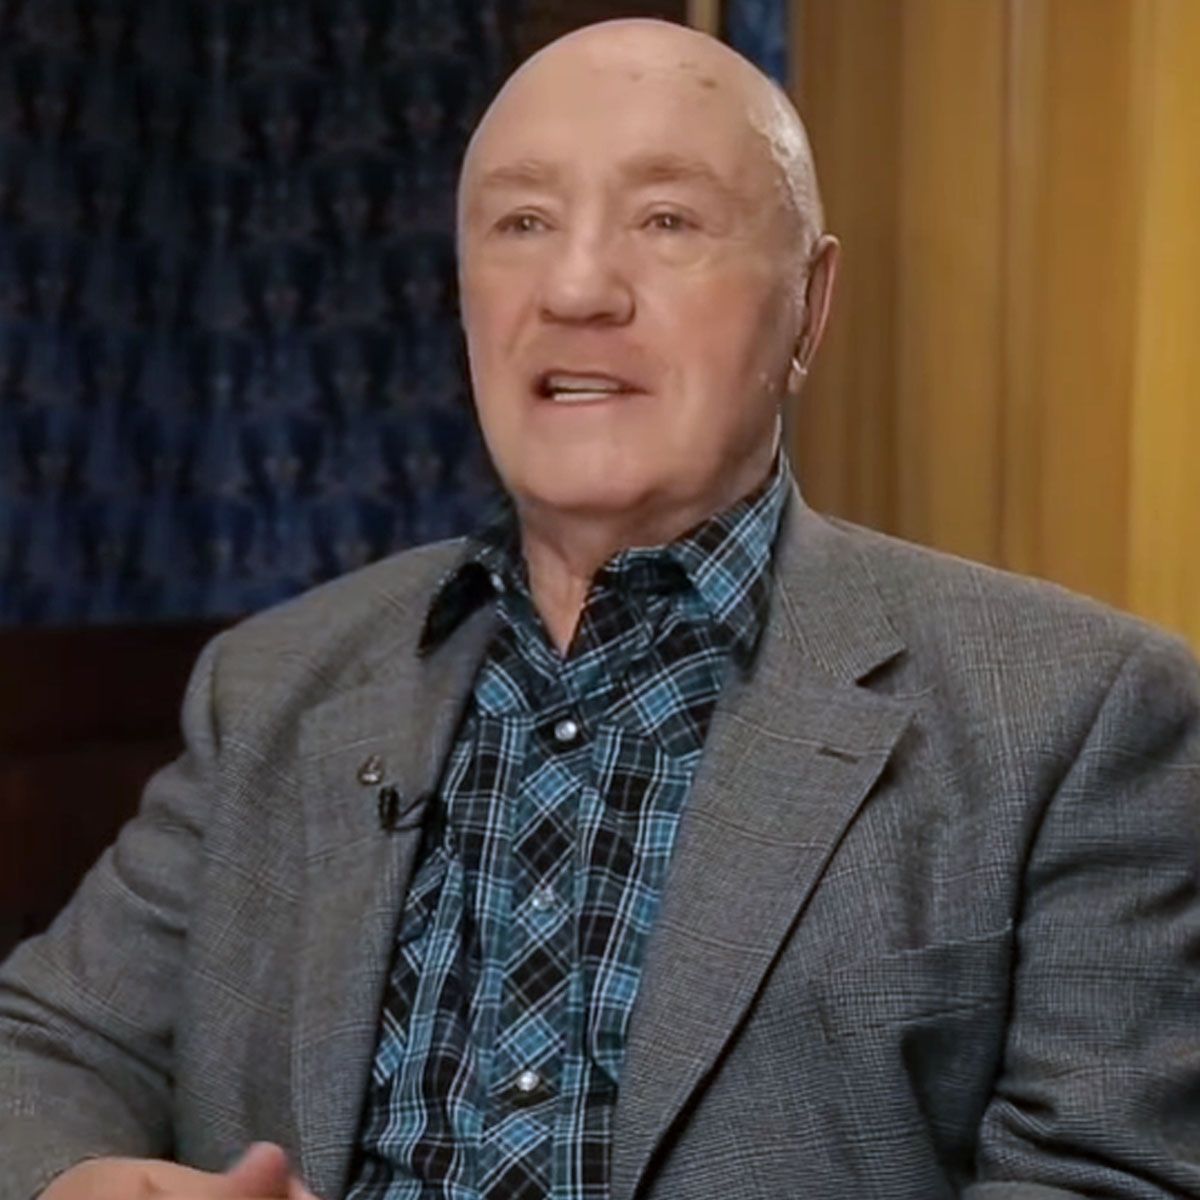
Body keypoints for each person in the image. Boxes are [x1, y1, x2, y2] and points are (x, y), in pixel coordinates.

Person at [3, 17, 1199, 1200]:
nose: (575, 288)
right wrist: (87, 1184)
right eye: (522, 223)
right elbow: (43, 1047)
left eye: (667, 220)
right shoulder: (271, 684)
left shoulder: (1077, 716)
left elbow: (1107, 1176)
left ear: (809, 304)